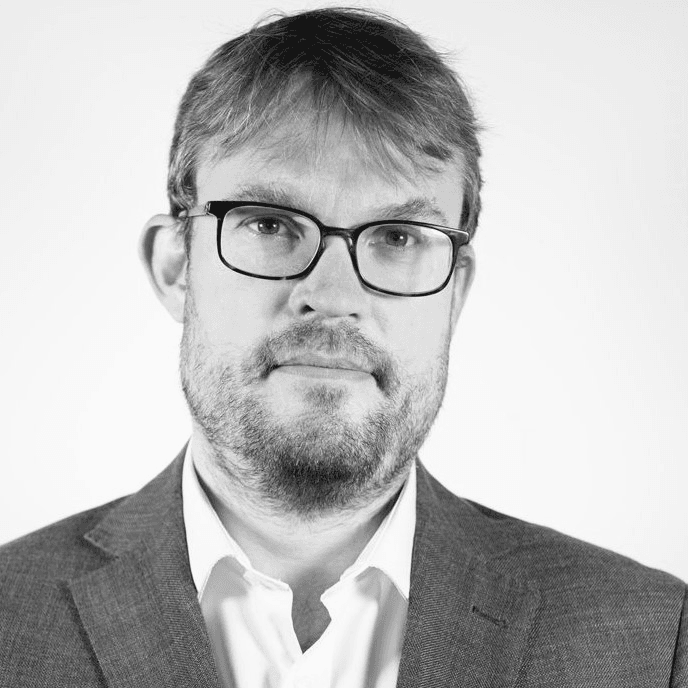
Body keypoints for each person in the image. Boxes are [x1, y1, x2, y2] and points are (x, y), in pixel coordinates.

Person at [0, 6, 685, 687]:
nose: (332, 294)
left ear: (455, 292)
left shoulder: (652, 643)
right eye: (269, 223)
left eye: (397, 238)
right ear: (176, 264)